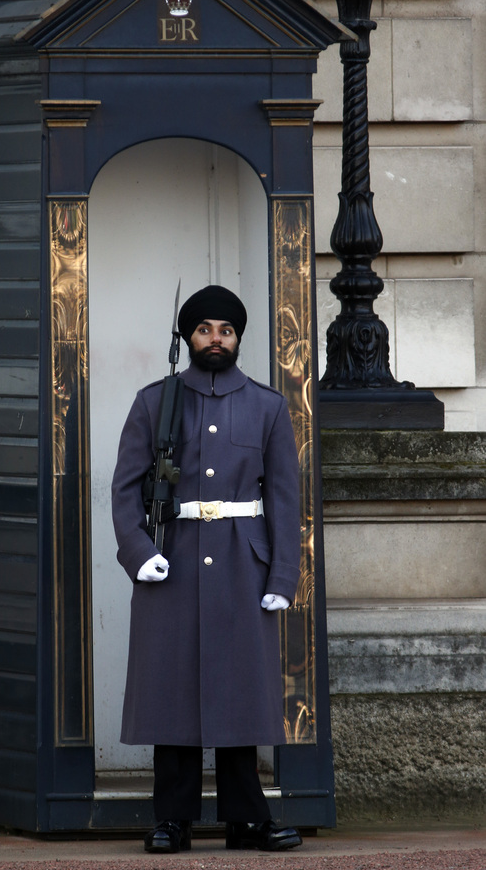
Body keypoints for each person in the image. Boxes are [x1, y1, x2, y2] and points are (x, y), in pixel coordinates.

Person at [111, 284, 302, 854]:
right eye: (203, 330)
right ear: (187, 337)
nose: (215, 340)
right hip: (174, 555)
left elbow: (287, 498)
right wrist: (141, 554)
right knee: (172, 693)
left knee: (241, 694)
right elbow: (123, 492)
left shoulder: (267, 406)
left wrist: (283, 577)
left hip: (244, 562)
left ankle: (246, 819)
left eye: (225, 330)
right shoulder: (154, 402)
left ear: (237, 338)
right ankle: (173, 818)